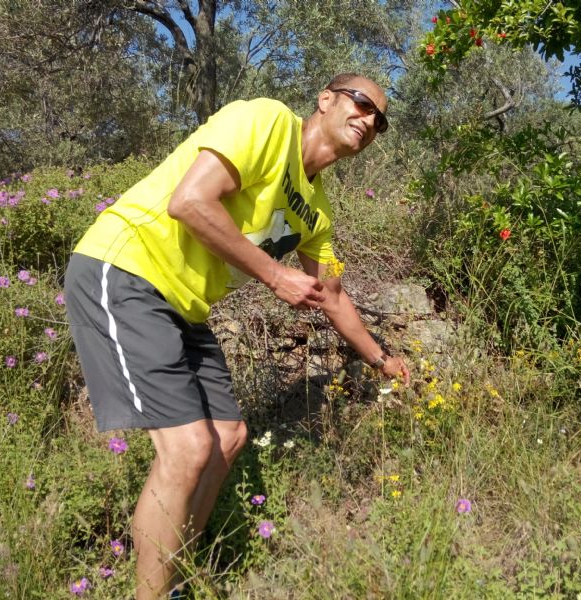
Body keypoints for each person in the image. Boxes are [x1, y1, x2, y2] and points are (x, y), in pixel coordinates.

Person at [64, 73, 410, 599]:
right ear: (325, 100)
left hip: (184, 306)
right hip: (127, 267)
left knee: (227, 438)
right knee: (187, 449)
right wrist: (275, 275)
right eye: (363, 104)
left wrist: (382, 358)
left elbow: (332, 295)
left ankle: (173, 575)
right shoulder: (266, 122)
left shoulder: (316, 211)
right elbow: (190, 202)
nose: (369, 121)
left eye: (380, 121)